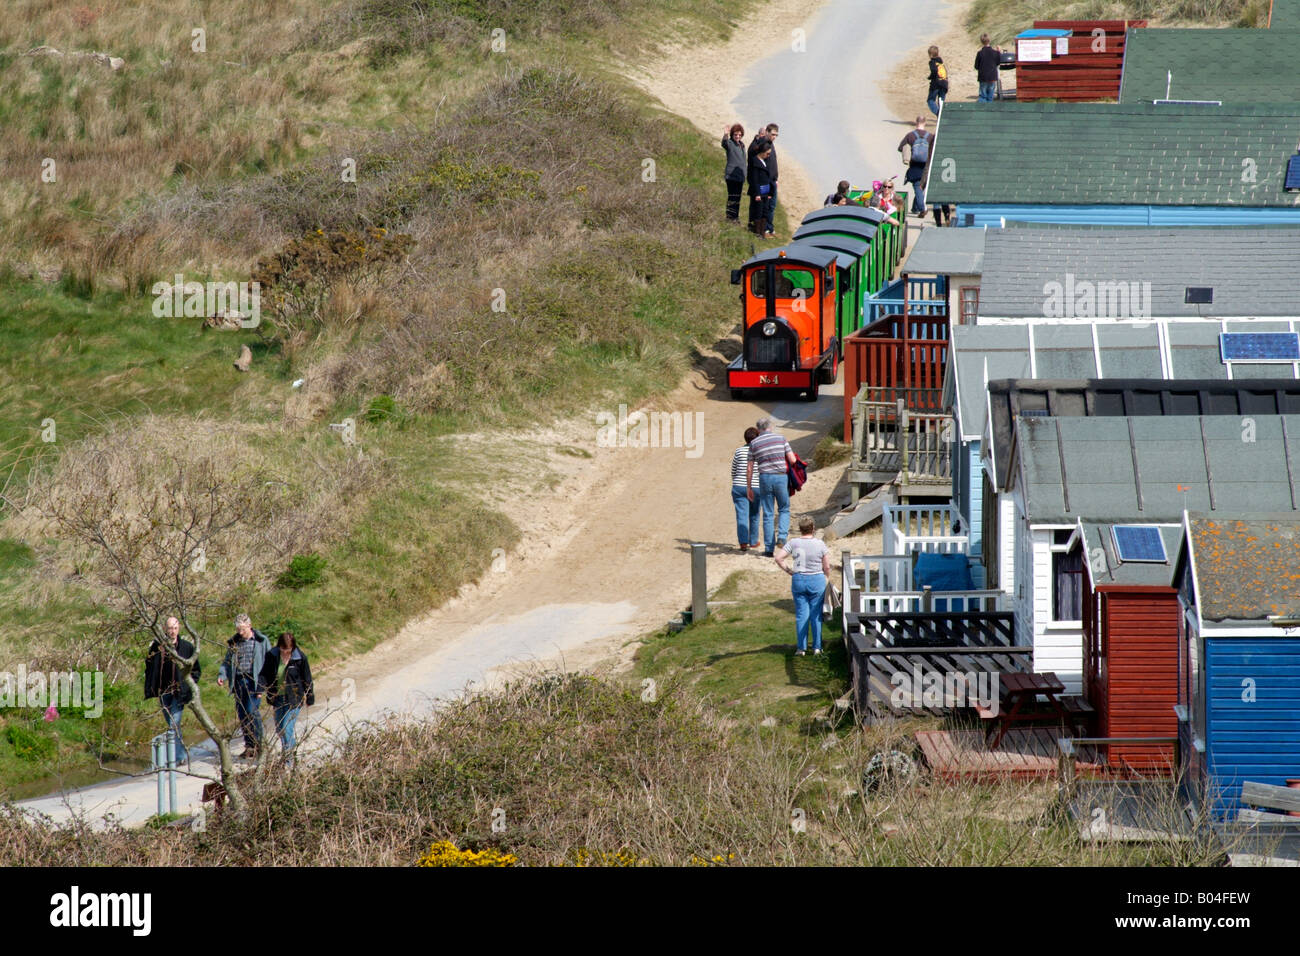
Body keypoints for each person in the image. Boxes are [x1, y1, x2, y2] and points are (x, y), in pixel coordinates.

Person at [143, 616, 201, 765]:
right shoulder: (157, 647)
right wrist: (152, 686)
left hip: (179, 693)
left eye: (175, 628)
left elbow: (196, 669)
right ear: (165, 629)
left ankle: (177, 757)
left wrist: (188, 686)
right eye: (170, 628)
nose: (172, 631)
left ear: (179, 628)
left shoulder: (187, 647)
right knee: (172, 725)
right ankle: (179, 754)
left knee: (173, 725)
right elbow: (149, 666)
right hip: (164, 691)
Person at [774, 517, 832, 656]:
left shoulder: (793, 542)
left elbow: (778, 558)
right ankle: (817, 647)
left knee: (801, 615)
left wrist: (789, 571)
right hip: (816, 579)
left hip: (799, 579)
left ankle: (801, 648)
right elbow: (827, 566)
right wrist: (827, 577)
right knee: (816, 615)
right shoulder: (820, 544)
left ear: (800, 529)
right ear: (813, 528)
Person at [217, 613, 271, 759]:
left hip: (255, 682)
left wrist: (266, 684)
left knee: (251, 711)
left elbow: (270, 662)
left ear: (249, 626)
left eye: (242, 629)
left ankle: (260, 745)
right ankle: (249, 746)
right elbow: (227, 662)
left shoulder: (261, 641)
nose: (240, 632)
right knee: (242, 715)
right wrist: (222, 675)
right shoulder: (235, 643)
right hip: (239, 682)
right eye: (238, 629)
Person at [746, 417, 798, 556]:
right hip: (781, 477)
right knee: (784, 509)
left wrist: (749, 487)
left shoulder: (754, 443)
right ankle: (782, 537)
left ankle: (769, 549)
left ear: (758, 429)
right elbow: (792, 459)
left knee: (768, 513)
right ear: (770, 427)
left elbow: (750, 468)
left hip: (764, 478)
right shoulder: (781, 438)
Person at [261, 631, 314, 764]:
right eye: (283, 649)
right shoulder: (271, 656)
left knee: (286, 728)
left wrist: (310, 695)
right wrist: (259, 689)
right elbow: (264, 674)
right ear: (279, 646)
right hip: (278, 698)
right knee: (280, 729)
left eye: (289, 650)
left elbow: (307, 677)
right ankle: (292, 755)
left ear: (293, 647)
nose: (286, 652)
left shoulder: (300, 658)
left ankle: (288, 762)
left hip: (294, 697)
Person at [730, 427, 763, 551]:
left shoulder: (739, 451)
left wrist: (737, 482)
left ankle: (743, 542)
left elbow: (733, 470)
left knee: (741, 515)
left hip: (739, 486)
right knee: (754, 514)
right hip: (755, 486)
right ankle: (753, 541)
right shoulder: (760, 452)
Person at [898, 115, 932, 217]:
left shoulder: (910, 136)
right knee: (921, 187)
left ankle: (922, 208)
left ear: (916, 122)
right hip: (926, 166)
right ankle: (915, 208)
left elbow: (900, 148)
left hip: (915, 166)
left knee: (918, 186)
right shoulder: (930, 136)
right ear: (925, 123)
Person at [748, 143, 775, 238]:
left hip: (766, 192)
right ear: (762, 152)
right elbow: (754, 179)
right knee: (758, 212)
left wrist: (770, 192)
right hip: (759, 192)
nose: (768, 155)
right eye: (767, 153)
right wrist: (757, 194)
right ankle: (757, 233)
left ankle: (762, 233)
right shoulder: (755, 162)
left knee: (765, 212)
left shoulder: (764, 161)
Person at [721, 123, 746, 222]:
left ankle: (735, 217)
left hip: (740, 177)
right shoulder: (730, 143)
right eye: (736, 135)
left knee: (738, 198)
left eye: (739, 135)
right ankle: (730, 217)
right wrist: (725, 134)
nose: (738, 136)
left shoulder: (742, 145)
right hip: (731, 176)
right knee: (732, 197)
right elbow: (724, 143)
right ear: (732, 135)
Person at [975, 34, 1001, 103]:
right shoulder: (995, 53)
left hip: (983, 77)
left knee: (983, 95)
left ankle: (983, 112)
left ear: (981, 41)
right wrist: (998, 51)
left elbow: (976, 66)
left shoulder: (980, 53)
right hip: (992, 76)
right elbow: (998, 62)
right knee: (990, 95)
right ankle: (989, 110)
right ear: (989, 40)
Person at [927, 45, 948, 116]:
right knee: (941, 102)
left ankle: (939, 114)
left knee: (930, 100)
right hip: (944, 83)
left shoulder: (932, 62)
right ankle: (941, 115)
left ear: (930, 55)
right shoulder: (941, 63)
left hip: (936, 83)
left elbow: (934, 70)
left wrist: (930, 77)